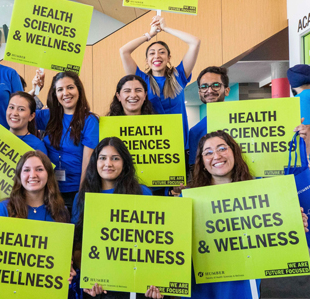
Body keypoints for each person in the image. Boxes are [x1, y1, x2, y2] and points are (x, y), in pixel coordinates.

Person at [179, 130, 308, 299]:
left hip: (240, 295)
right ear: (202, 163)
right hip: (201, 294)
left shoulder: (261, 191)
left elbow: (278, 232)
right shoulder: (188, 199)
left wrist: (294, 221)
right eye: (207, 152)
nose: (215, 155)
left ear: (234, 153)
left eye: (222, 148)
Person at [71, 137, 164, 299]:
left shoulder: (142, 193)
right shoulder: (82, 196)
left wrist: (155, 279)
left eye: (115, 158)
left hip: (132, 292)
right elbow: (77, 245)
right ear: (95, 162)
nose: (108, 163)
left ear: (125, 163)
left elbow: (154, 241)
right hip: (97, 290)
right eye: (102, 158)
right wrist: (87, 275)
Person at [107, 75, 181, 299]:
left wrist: (174, 186)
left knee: (155, 254)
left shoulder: (162, 124)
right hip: (119, 199)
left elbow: (173, 163)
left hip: (154, 196)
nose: (132, 94)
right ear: (118, 95)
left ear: (145, 95)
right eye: (126, 90)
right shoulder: (108, 126)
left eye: (138, 90)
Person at [0, 150, 75, 299]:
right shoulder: (4, 209)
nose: (33, 175)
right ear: (19, 175)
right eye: (27, 170)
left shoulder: (61, 212)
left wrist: (69, 269)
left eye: (39, 169)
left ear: (48, 174)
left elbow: (64, 257)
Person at [119, 16, 201, 150]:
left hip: (178, 146)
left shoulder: (178, 76)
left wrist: (166, 29)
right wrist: (150, 35)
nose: (156, 56)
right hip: (152, 147)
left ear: (169, 58)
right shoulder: (141, 81)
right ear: (147, 60)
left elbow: (195, 42)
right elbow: (124, 51)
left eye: (162, 52)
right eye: (152, 53)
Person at [36, 71, 99, 212]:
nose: (66, 93)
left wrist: (82, 195)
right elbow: (19, 114)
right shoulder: (48, 116)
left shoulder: (89, 120)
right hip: (48, 189)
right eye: (60, 89)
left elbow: (88, 160)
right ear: (55, 94)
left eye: (70, 87)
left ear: (79, 89)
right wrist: (35, 89)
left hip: (75, 190)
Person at [188, 66, 231, 167]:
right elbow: (195, 169)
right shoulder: (195, 132)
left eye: (216, 85)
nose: (210, 90)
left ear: (227, 90)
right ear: (200, 93)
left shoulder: (244, 122)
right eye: (204, 87)